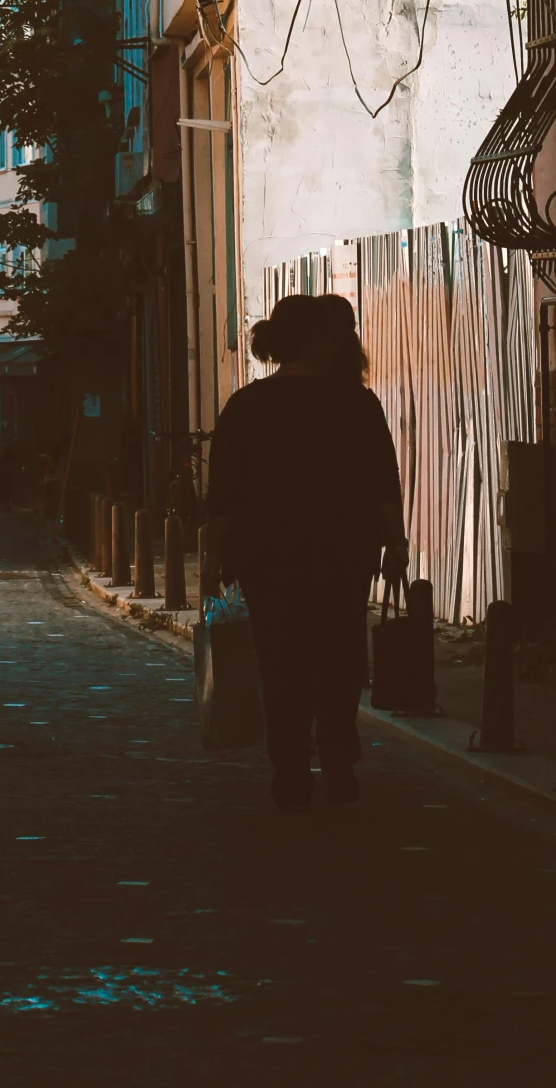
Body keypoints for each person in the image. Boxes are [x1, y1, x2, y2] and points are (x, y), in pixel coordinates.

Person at [206, 292, 405, 811]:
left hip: (266, 556)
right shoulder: (356, 403)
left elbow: (223, 494)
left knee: (281, 659)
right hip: (343, 551)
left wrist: (213, 560)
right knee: (339, 654)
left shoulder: (246, 406)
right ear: (318, 340)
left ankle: (291, 766)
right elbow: (383, 481)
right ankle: (338, 753)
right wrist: (396, 542)